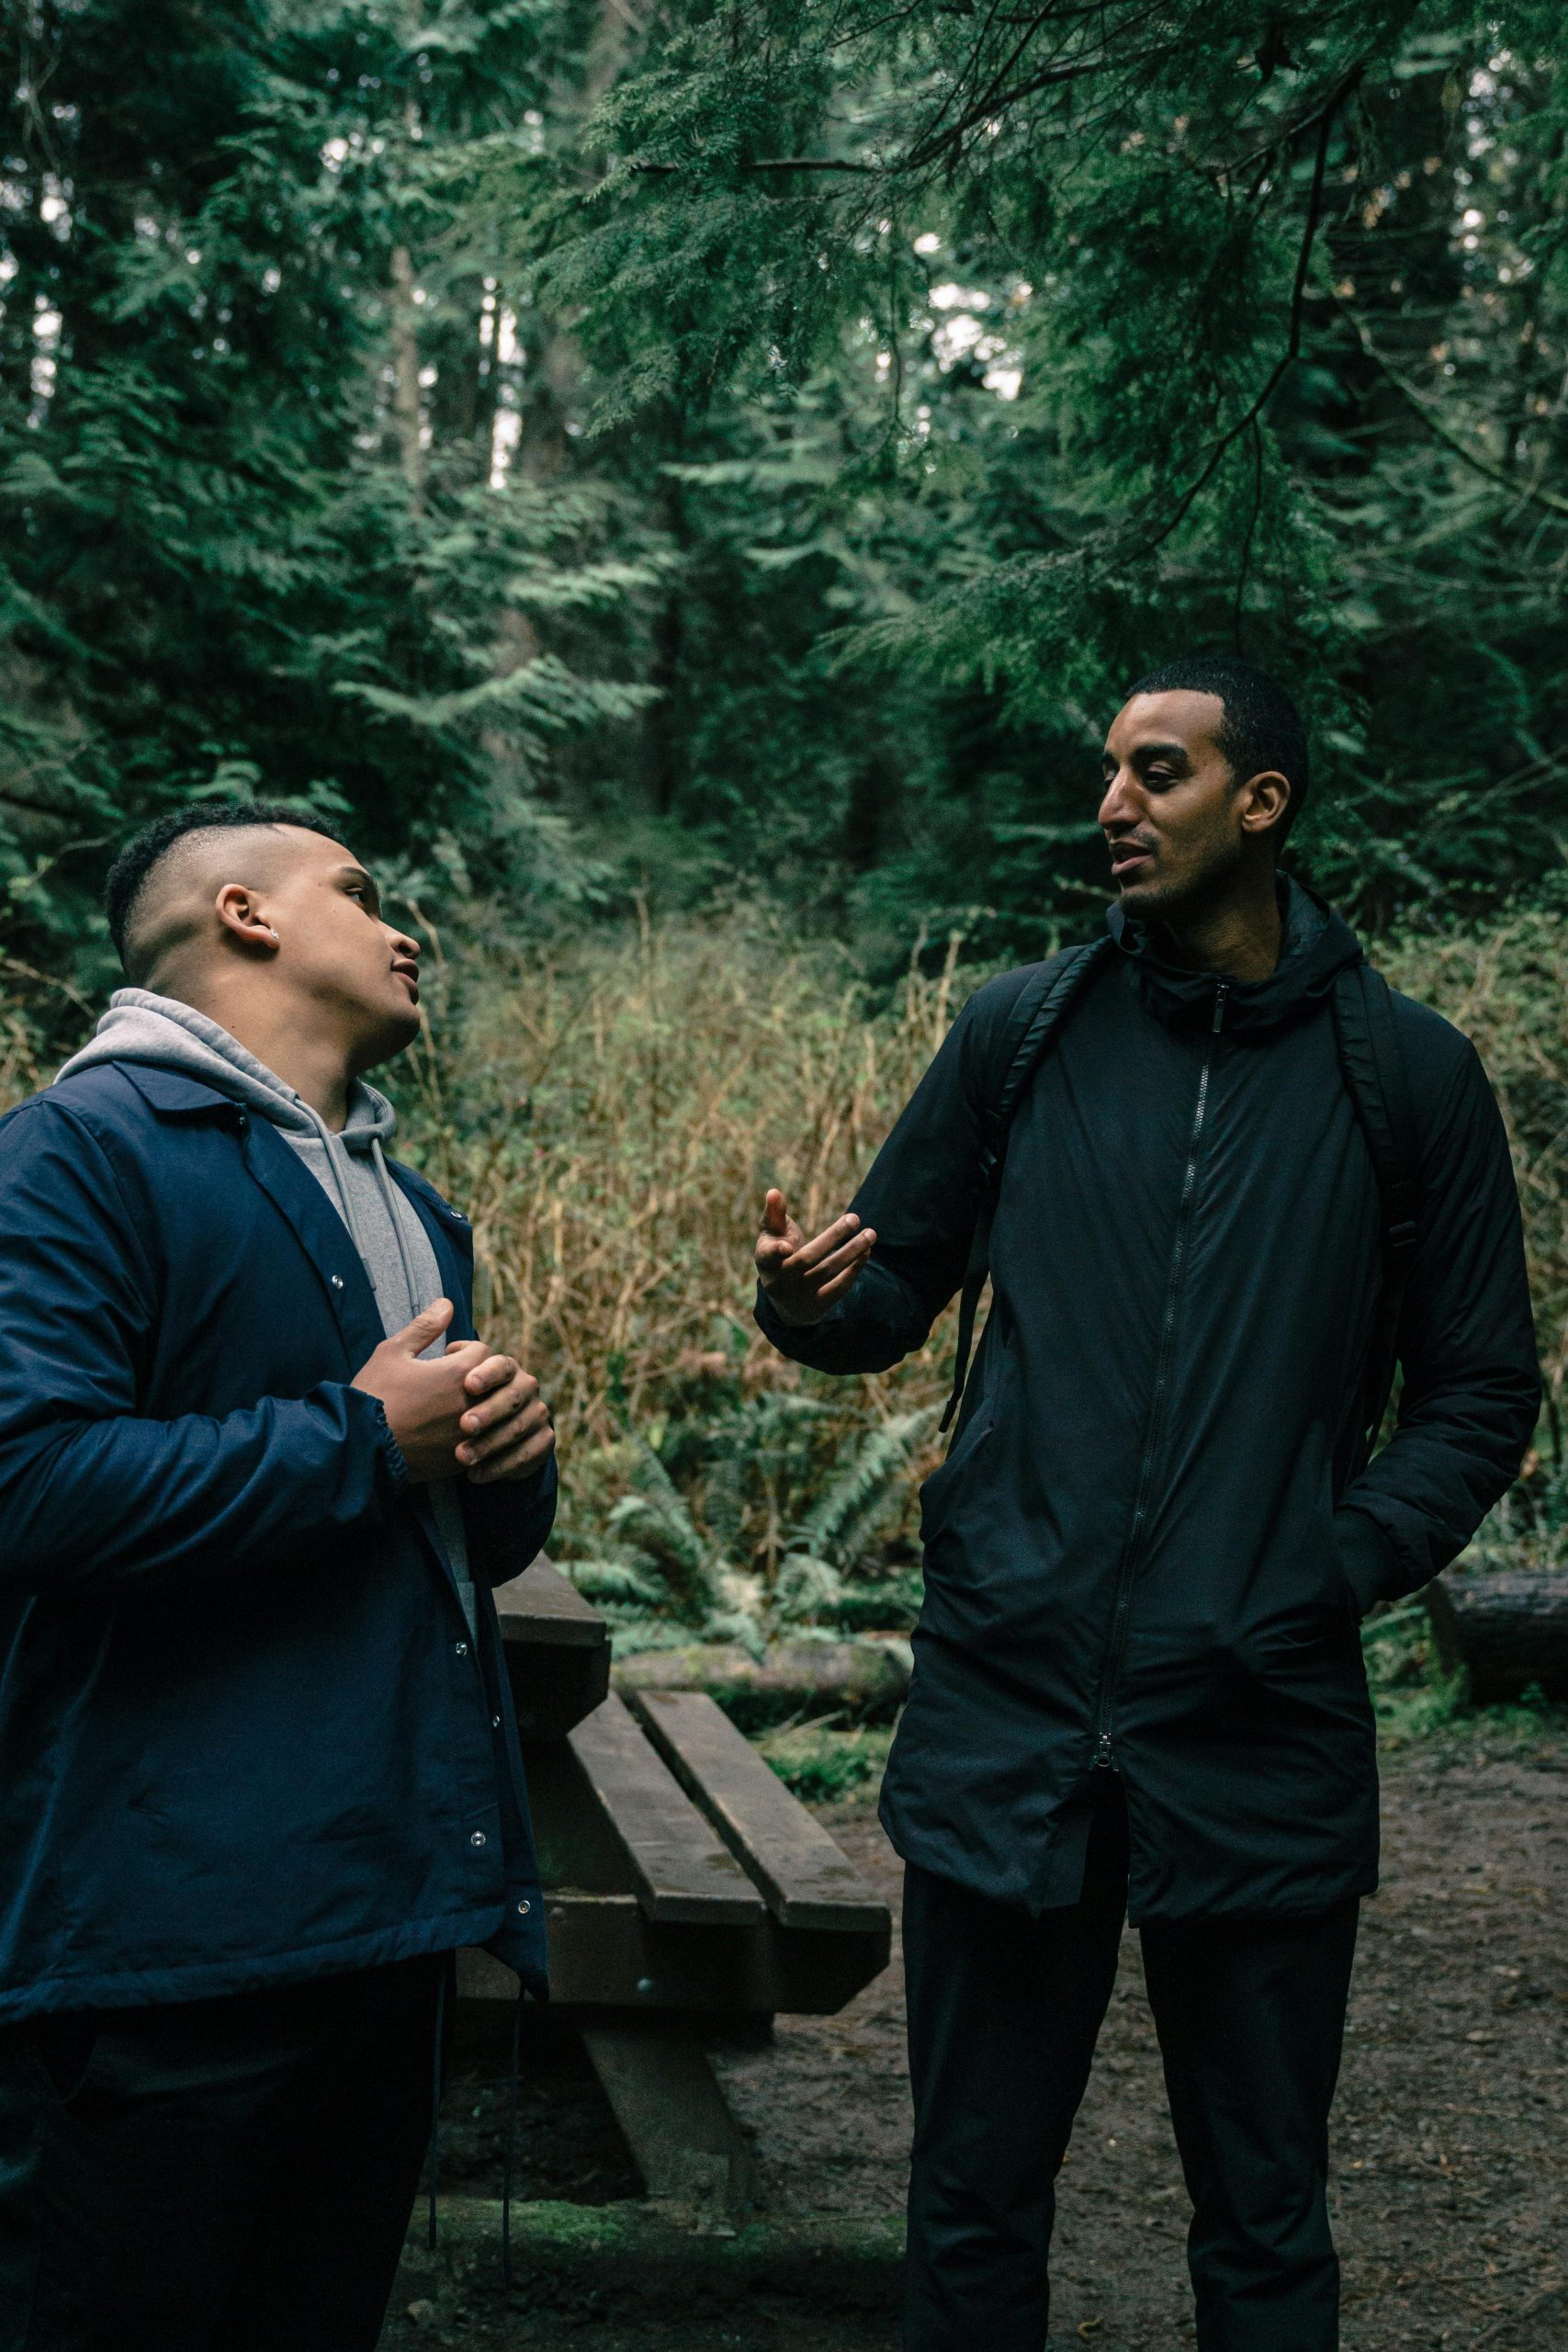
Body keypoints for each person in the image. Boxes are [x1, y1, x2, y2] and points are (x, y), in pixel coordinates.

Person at [753, 657, 1540, 2352]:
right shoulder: (1020, 1031)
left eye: (1158, 772)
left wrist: (1329, 1565)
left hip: (1258, 1717)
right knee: (970, 2199)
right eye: (1109, 773)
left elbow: (1483, 1391)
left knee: (1262, 2218)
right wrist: (813, 1307)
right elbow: (893, 1294)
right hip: (1005, 1705)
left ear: (1261, 805)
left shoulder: (1406, 1077)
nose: (1113, 804)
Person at [0, 803, 557, 2352]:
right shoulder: (75, 1155)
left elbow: (465, 1553)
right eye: (363, 893)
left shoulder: (412, 1204)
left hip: (383, 1919)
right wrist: (365, 1439)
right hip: (166, 1952)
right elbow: (25, 1485)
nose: (406, 929)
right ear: (244, 916)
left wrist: (508, 1463)